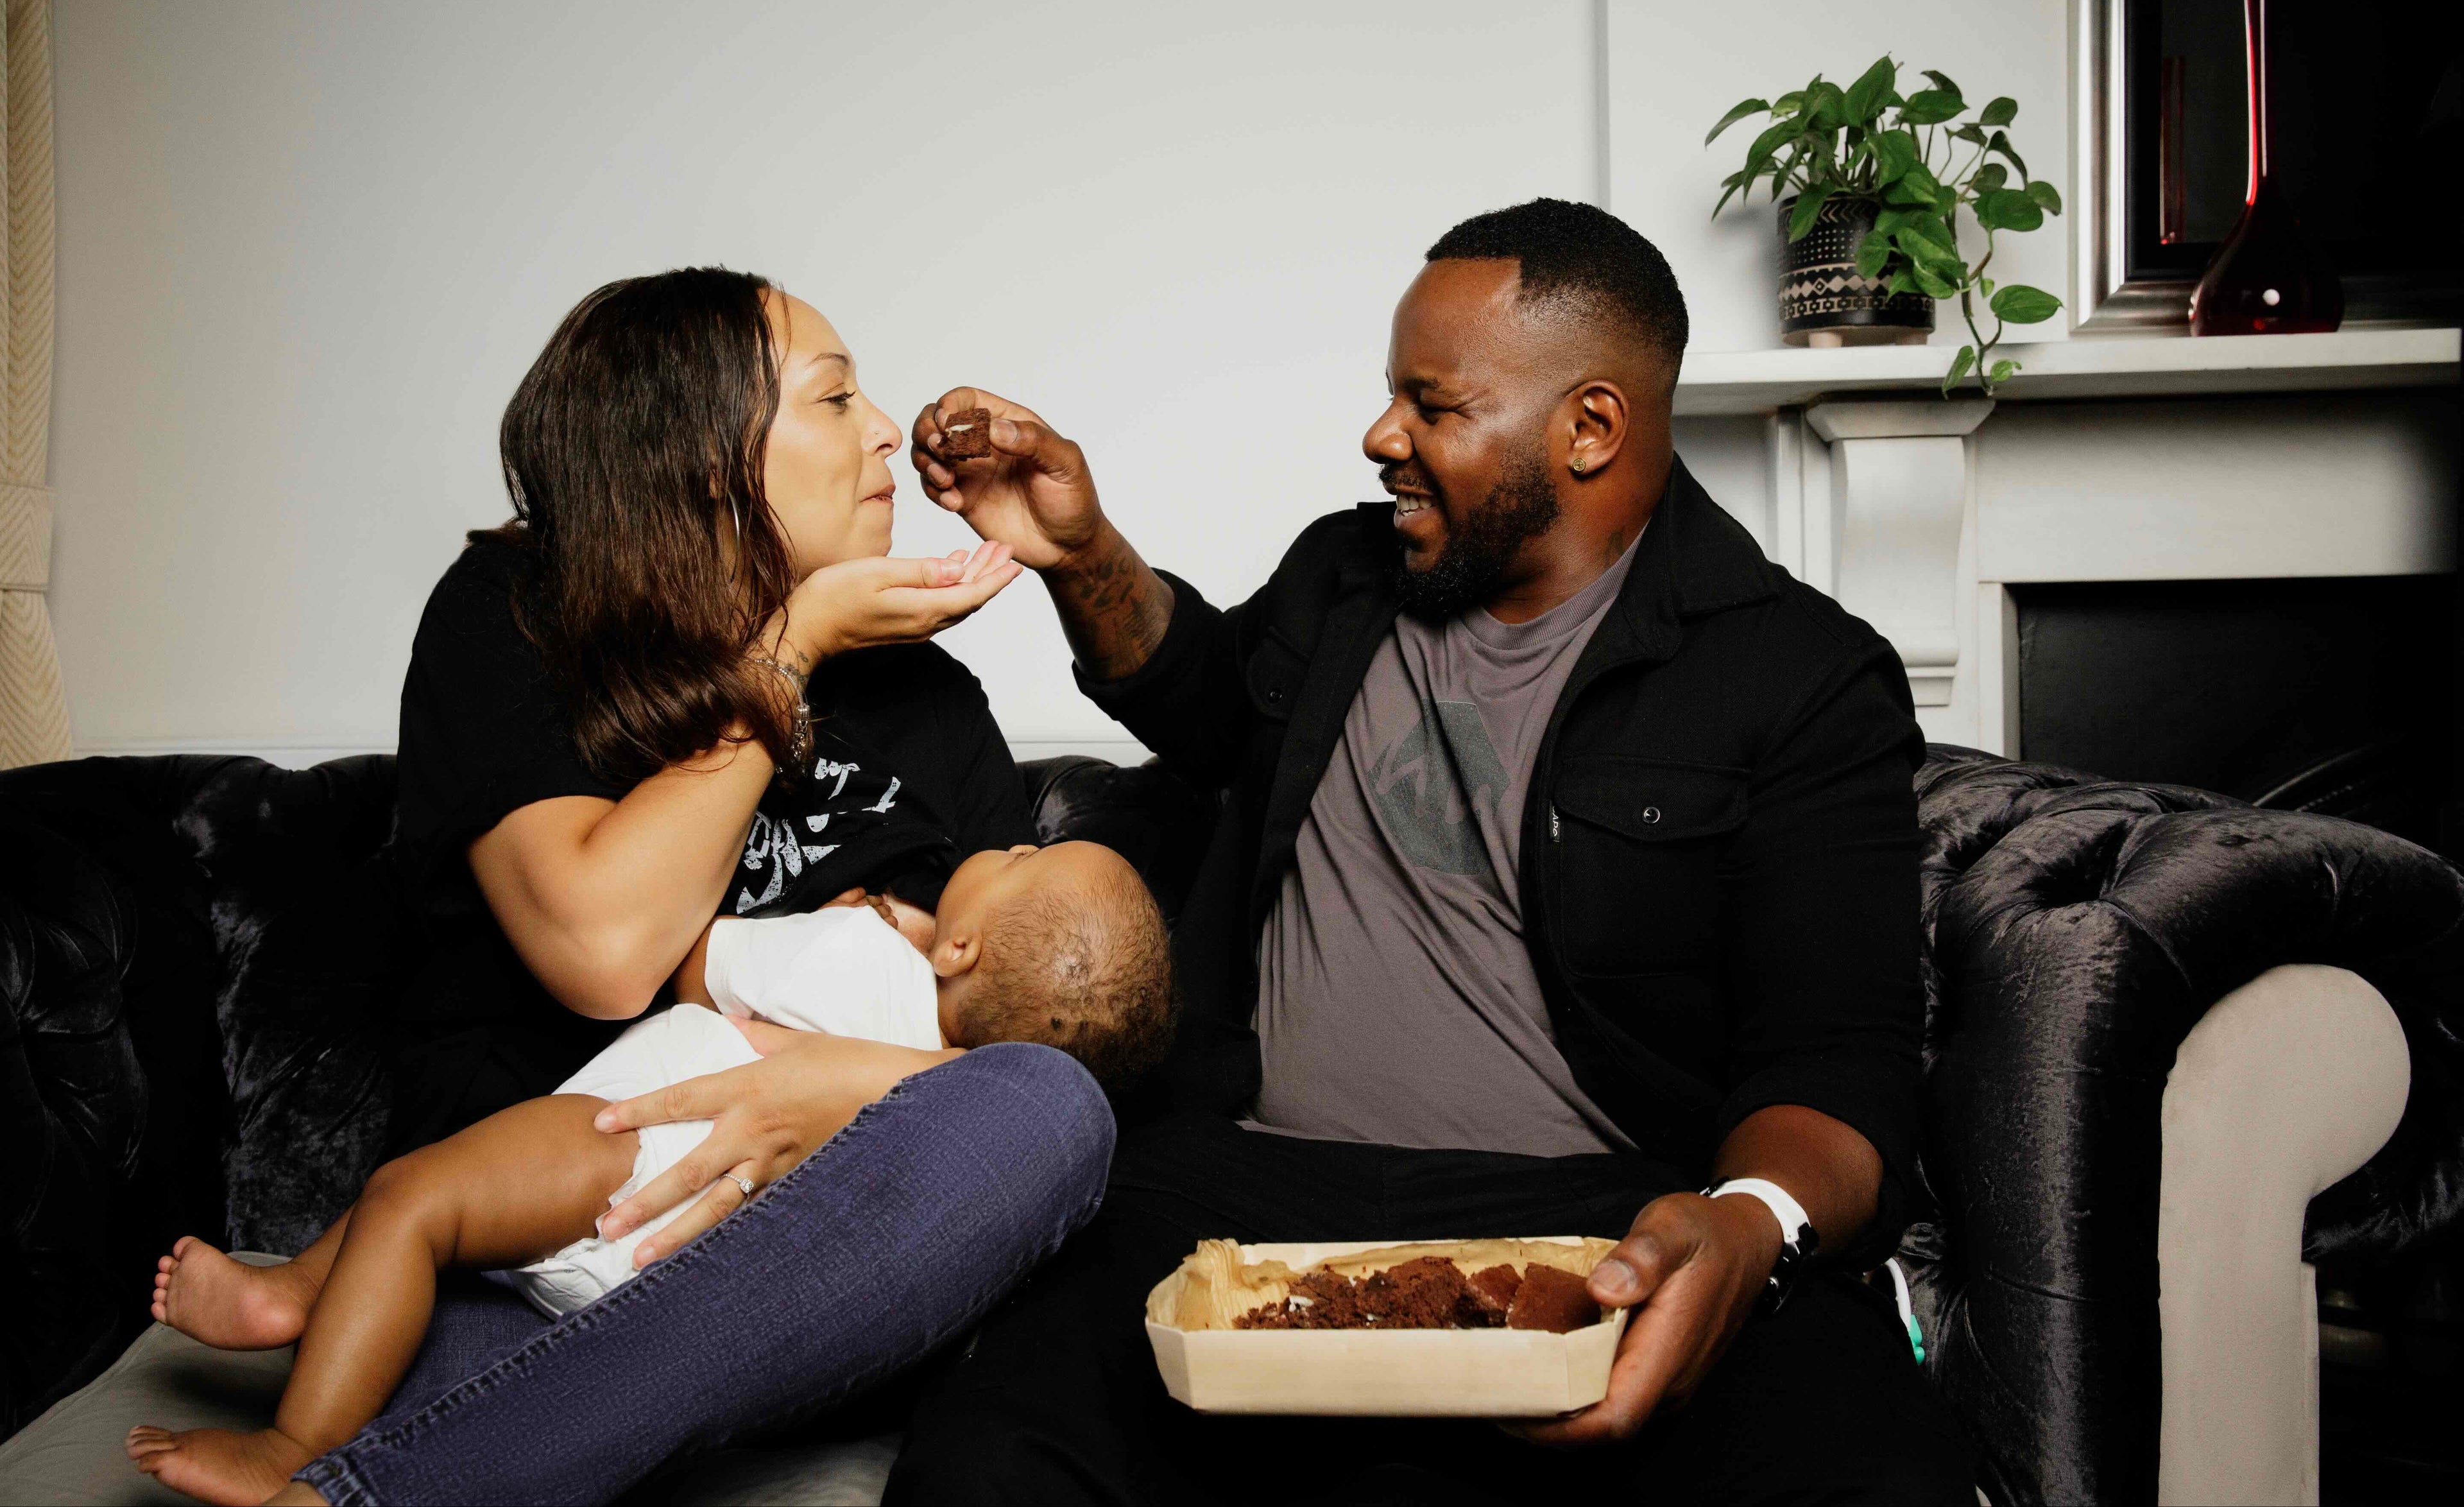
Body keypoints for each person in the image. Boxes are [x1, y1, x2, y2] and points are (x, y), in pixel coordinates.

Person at [888, 200, 1978, 1504]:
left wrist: (1746, 1226)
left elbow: (1839, 1065)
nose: (1380, 435)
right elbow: (1204, 702)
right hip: (1241, 1198)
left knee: (1873, 1466)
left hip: (1600, 1216)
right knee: (986, 1459)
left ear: (1589, 429)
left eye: (1432, 404)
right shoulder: (1347, 577)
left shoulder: (1797, 676)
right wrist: (1082, 554)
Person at [130, 267, 1121, 1507]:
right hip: (536, 1231)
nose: (885, 430)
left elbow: (1034, 1019)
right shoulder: (519, 617)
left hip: (811, 1257)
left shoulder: (925, 699)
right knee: (463, 1349)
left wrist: (840, 1087)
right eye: (834, 398)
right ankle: (480, 1450)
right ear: (704, 458)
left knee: (1058, 1118)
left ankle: (409, 1477)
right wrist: (788, 653)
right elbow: (602, 953)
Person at [128, 840, 1174, 1504]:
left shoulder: (861, 953)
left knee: (412, 1195)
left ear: (963, 951)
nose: (1008, 839)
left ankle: (295, 1416)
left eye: (1027, 853)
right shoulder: (959, 1095)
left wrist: (853, 928)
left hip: (630, 1153)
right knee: (432, 1239)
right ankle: (318, 1331)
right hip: (697, 1287)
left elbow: (693, 967)